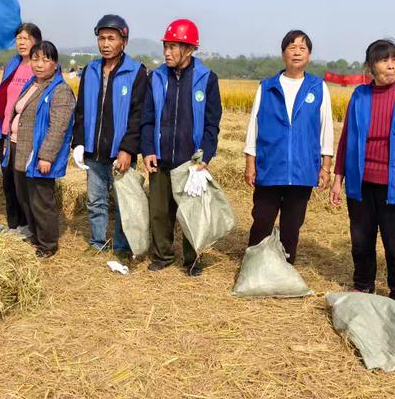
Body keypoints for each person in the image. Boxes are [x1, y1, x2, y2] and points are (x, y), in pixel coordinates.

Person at [140, 19, 222, 276]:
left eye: (173, 47)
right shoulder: (155, 78)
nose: (167, 52)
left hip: (191, 161)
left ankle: (192, 260)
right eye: (166, 46)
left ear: (188, 49)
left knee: (192, 212)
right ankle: (162, 256)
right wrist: (148, 150)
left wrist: (205, 155)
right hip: (161, 157)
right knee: (160, 212)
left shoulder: (206, 79)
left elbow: (212, 123)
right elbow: (147, 118)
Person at [244, 30, 333, 264]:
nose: (296, 52)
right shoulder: (267, 86)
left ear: (309, 55)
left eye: (302, 48)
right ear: (283, 53)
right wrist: (250, 163)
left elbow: (326, 129)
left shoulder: (318, 87)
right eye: (291, 47)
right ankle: (254, 266)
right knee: (262, 220)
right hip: (270, 166)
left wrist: (325, 166)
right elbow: (254, 125)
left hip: (303, 170)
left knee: (292, 226)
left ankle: (284, 270)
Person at [71, 15, 148, 256]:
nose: (105, 44)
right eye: (101, 38)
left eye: (111, 38)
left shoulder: (136, 72)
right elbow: (81, 110)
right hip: (94, 150)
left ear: (123, 41)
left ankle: (122, 247)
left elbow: (138, 116)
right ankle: (98, 242)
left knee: (124, 202)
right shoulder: (91, 70)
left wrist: (127, 149)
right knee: (95, 201)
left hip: (119, 153)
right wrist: (79, 143)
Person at [331, 39, 395, 299]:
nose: (391, 65)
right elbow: (347, 137)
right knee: (361, 239)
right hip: (360, 180)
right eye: (384, 60)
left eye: (394, 59)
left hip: (391, 183)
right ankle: (363, 284)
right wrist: (338, 179)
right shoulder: (360, 95)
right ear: (370, 67)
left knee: (393, 242)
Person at [6, 41, 75, 258]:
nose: (39, 64)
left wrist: (46, 156)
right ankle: (35, 236)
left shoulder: (60, 90)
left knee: (41, 200)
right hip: (19, 147)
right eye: (35, 59)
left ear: (55, 64)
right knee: (24, 196)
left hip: (37, 153)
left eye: (46, 60)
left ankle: (48, 244)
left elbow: (58, 128)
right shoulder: (32, 84)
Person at [0, 23, 42, 233]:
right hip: (6, 133)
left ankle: (29, 226)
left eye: (26, 38)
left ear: (36, 41)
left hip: (28, 135)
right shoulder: (12, 64)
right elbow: (1, 98)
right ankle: (13, 225)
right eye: (18, 38)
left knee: (25, 184)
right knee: (9, 181)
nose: (21, 42)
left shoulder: (40, 67)